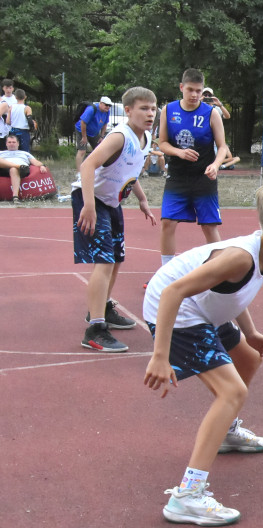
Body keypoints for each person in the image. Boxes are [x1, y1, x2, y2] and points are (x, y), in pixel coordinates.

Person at [143, 180, 263, 526]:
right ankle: (187, 496)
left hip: (205, 310)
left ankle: (227, 432)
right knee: (232, 391)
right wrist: (160, 355)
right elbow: (172, 292)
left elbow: (235, 293)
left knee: (249, 359)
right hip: (178, 312)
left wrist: (249, 333)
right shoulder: (238, 257)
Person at [73, 88, 158, 352]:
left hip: (112, 202)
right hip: (92, 199)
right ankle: (95, 329)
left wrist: (142, 199)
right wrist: (88, 205)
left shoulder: (145, 138)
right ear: (129, 111)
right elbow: (88, 165)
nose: (150, 114)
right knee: (105, 262)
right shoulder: (120, 136)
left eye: (153, 109)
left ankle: (102, 308)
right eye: (144, 108)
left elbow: (130, 172)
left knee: (117, 259)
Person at [158, 69, 233, 267]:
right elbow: (162, 143)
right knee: (167, 222)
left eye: (198, 91)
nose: (194, 95)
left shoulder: (211, 113)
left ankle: (220, 269)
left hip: (203, 177)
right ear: (181, 88)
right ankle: (166, 270)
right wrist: (178, 152)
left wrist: (216, 165)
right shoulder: (169, 110)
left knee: (209, 225)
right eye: (190, 90)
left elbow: (223, 146)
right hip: (177, 176)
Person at [1, 133, 48, 202]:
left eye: (14, 142)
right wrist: (18, 166)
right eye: (9, 142)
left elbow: (35, 162)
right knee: (13, 167)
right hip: (4, 168)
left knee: (13, 169)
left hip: (21, 170)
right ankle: (18, 166)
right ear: (6, 144)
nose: (11, 144)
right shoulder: (1, 153)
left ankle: (15, 197)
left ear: (18, 143)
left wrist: (42, 165)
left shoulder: (24, 153)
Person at [75, 96, 113, 171]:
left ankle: (97, 169)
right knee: (82, 151)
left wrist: (101, 137)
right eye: (106, 105)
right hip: (81, 130)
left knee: (99, 150)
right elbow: (83, 122)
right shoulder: (92, 109)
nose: (108, 107)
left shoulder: (107, 112)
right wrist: (84, 137)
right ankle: (79, 172)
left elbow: (105, 124)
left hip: (94, 133)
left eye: (109, 105)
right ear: (101, 103)